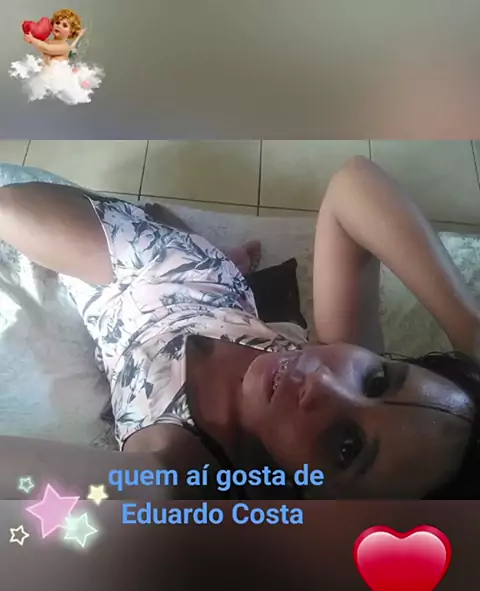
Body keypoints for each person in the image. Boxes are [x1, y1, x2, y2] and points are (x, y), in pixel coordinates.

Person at [1, 156, 480, 500]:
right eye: (378, 379)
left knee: (8, 207)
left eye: (346, 448)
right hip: (211, 279)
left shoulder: (177, 467)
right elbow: (352, 185)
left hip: (116, 291)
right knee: (161, 224)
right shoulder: (344, 356)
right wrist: (470, 332)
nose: (321, 381)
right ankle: (208, 250)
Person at [9, 8, 103, 105]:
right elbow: (41, 45)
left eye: (64, 25)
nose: (59, 26)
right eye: (57, 23)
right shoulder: (48, 41)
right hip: (46, 75)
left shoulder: (64, 47)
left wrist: (33, 40)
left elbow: (47, 49)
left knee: (55, 96)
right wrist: (28, 30)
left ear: (71, 32)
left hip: (59, 79)